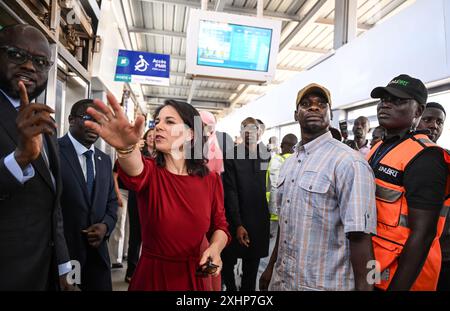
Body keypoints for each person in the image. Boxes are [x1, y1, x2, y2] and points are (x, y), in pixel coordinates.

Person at [85, 95, 230, 290]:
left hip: (196, 277)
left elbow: (220, 225)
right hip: (154, 277)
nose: (159, 126)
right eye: (157, 121)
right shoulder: (150, 172)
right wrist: (126, 148)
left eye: (169, 122)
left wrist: (215, 248)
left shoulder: (210, 179)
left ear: (191, 134)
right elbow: (133, 166)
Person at [260, 83, 377, 291]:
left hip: (324, 285)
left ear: (330, 114)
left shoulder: (349, 163)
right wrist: (271, 267)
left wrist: (368, 288)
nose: (314, 108)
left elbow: (362, 240)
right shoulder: (289, 163)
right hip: (284, 282)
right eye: (306, 104)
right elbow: (286, 225)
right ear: (296, 115)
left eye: (321, 104)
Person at [0, 24, 71, 290]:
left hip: (44, 271)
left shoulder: (43, 119)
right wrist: (19, 159)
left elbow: (52, 201)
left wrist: (63, 265)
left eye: (41, 62)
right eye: (17, 55)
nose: (30, 67)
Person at [367, 74, 448, 291]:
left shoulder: (427, 158)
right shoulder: (380, 147)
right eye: (384, 99)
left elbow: (424, 234)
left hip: (405, 277)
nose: (386, 104)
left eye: (398, 100)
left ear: (418, 111)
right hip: (377, 264)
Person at [58, 99, 118, 291]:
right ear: (71, 120)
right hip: (65, 256)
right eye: (87, 118)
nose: (94, 126)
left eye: (99, 121)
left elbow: (112, 202)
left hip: (98, 255)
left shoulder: (104, 160)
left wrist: (106, 226)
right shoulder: (52, 151)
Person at [222, 117, 271, 291]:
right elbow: (231, 191)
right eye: (245, 128)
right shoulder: (231, 156)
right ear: (241, 132)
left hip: (258, 219)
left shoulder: (266, 155)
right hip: (235, 218)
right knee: (227, 262)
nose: (250, 131)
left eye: (253, 128)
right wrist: (237, 224)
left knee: (251, 272)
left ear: (259, 131)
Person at [416, 102, 450, 291]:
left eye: (439, 122)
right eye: (428, 119)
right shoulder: (405, 156)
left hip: (443, 255)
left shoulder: (447, 159)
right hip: (405, 251)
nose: (434, 126)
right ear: (416, 118)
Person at [260, 134, 298, 274]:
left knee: (271, 245)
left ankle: (267, 270)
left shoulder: (274, 160)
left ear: (282, 145)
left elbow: (272, 186)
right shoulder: (293, 160)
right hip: (283, 212)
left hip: (272, 210)